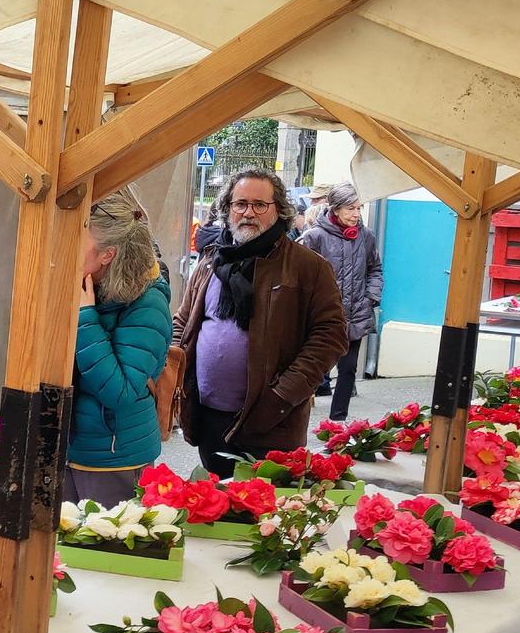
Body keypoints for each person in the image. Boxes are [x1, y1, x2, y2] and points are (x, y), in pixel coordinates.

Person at [171, 166, 347, 475]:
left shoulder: (308, 266)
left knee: (262, 515)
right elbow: (184, 321)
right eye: (240, 204)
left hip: (271, 422)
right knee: (217, 513)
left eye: (259, 205)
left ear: (278, 210)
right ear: (228, 209)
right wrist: (176, 371)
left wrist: (283, 394)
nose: (248, 213)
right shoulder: (211, 260)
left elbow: (330, 335)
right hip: (209, 417)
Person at [67, 189, 172, 504]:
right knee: (62, 550)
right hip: (68, 446)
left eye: (78, 239)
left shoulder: (148, 303)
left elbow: (120, 391)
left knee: (103, 548)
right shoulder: (85, 285)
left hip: (114, 457)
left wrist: (85, 319)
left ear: (107, 254)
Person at [296, 182, 383, 421]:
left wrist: (370, 298)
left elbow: (375, 269)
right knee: (313, 370)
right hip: (323, 318)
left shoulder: (366, 237)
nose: (356, 214)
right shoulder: (315, 237)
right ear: (335, 209)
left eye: (359, 208)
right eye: (350, 209)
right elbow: (298, 276)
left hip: (355, 315)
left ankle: (338, 422)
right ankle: (294, 419)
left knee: (348, 370)